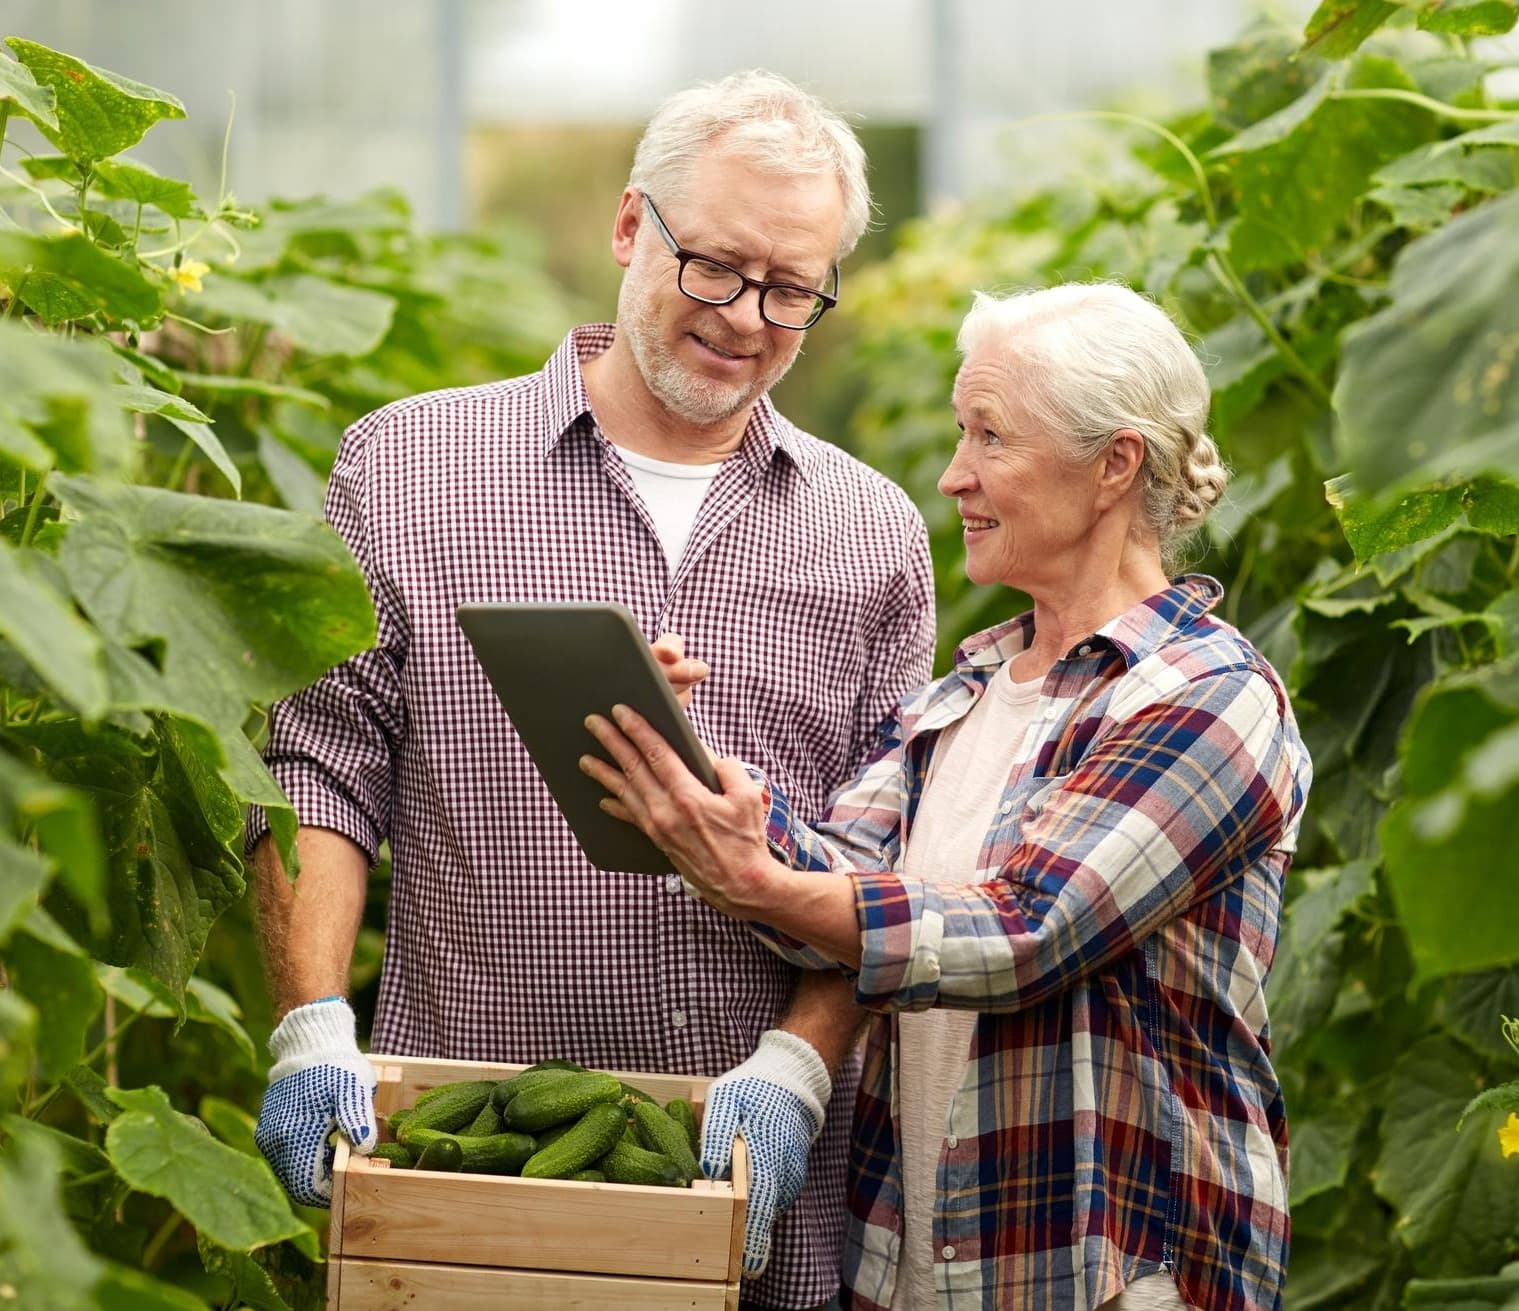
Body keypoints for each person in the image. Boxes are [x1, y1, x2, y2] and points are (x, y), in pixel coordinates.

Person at [248, 70, 935, 1310]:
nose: (746, 317)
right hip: (467, 1160)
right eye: (716, 267)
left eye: (792, 288)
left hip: (745, 1190)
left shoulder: (871, 530)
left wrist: (795, 1067)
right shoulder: (408, 466)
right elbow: (321, 773)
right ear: (630, 229)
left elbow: (886, 856)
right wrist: (311, 1030)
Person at [583, 283, 1312, 1311]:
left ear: (1114, 465)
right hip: (916, 1266)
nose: (952, 475)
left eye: (989, 438)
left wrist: (760, 885)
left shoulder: (1207, 698)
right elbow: (837, 894)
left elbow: (1022, 934)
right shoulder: (962, 697)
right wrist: (690, 762)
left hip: (1108, 1279)